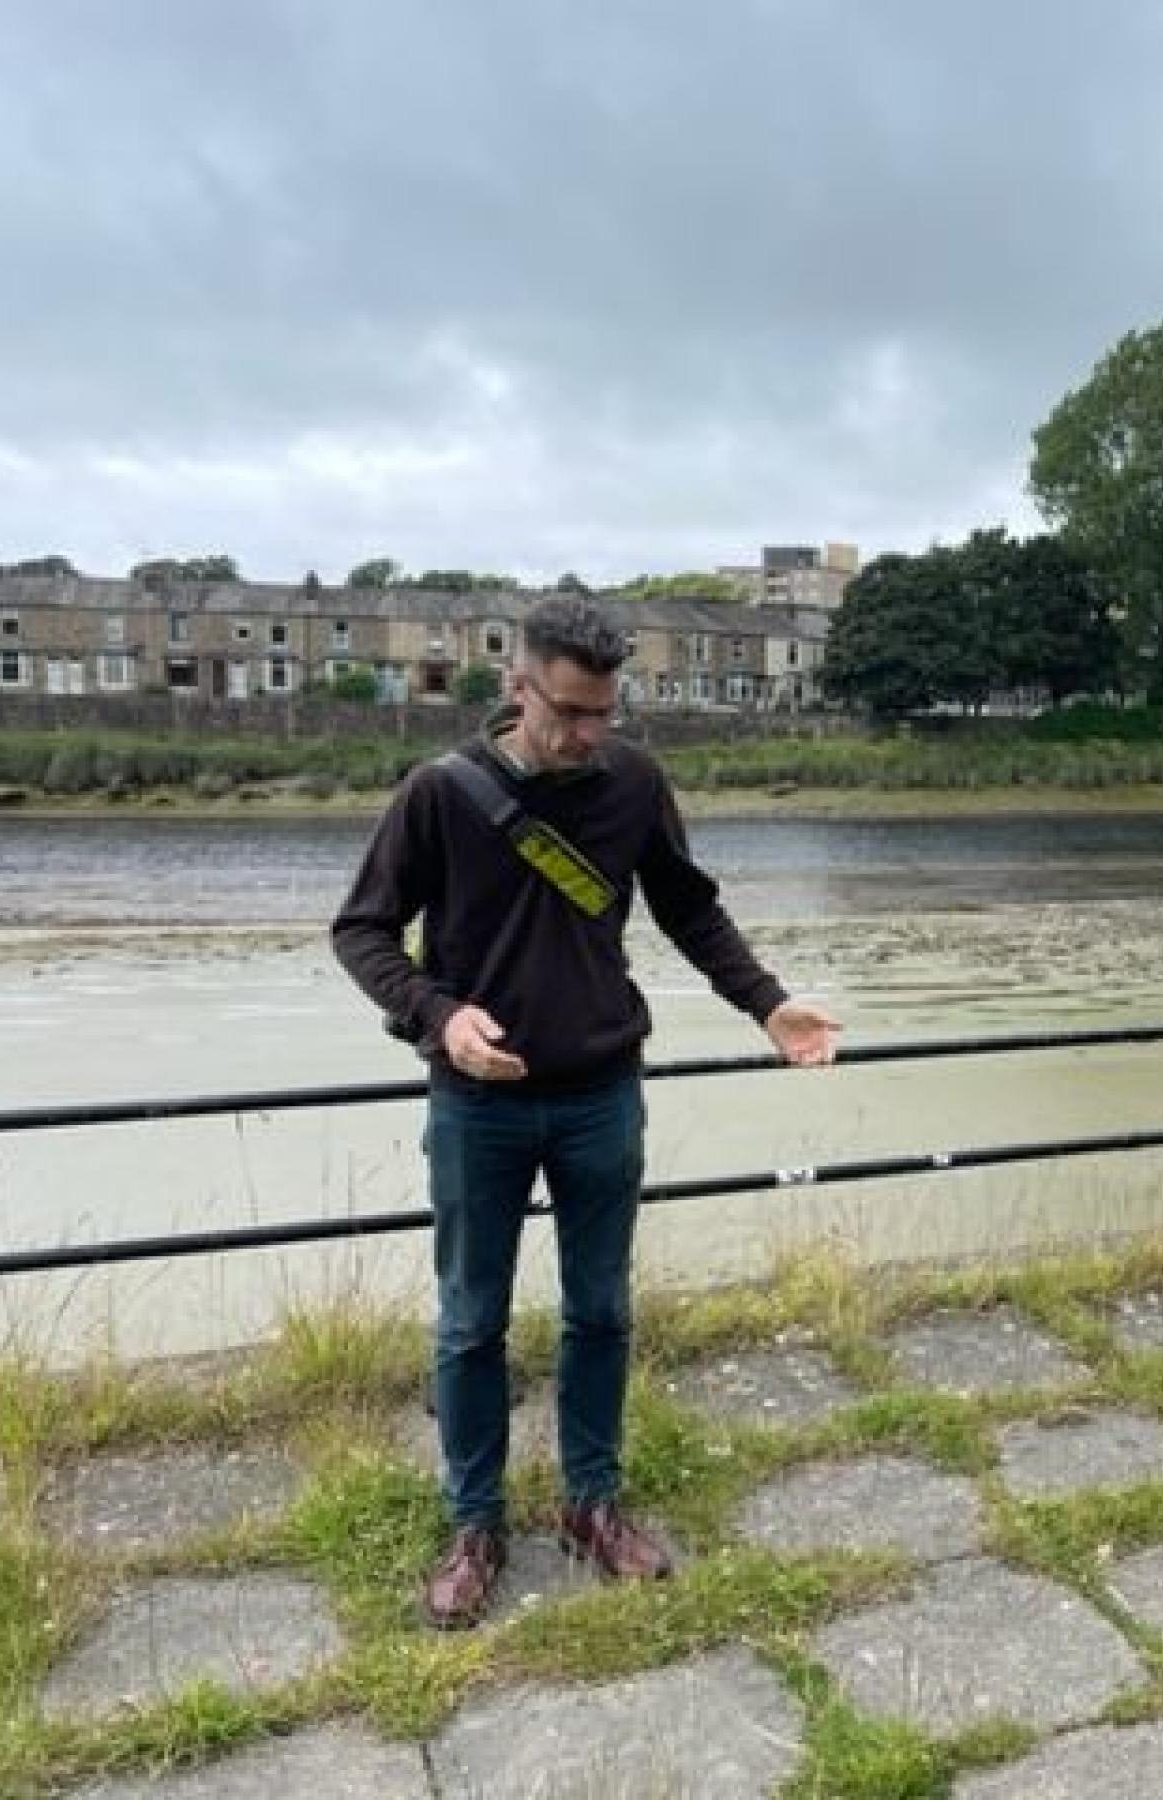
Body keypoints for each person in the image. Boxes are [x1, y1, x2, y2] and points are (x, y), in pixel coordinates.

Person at [332, 594, 840, 1630]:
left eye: (606, 712)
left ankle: (590, 1505)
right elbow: (362, 931)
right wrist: (439, 1015)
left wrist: (768, 1004)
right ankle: (474, 1526)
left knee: (602, 1311)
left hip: (603, 1090)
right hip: (480, 1101)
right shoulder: (438, 795)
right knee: (472, 1323)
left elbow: (689, 906)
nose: (589, 734)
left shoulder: (634, 782)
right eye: (569, 711)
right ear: (517, 688)